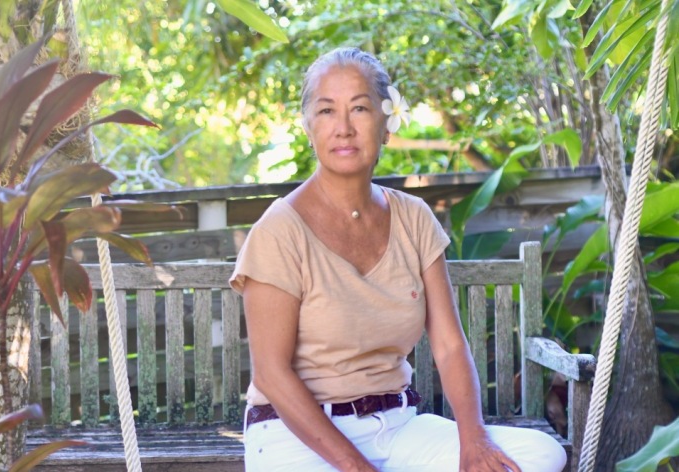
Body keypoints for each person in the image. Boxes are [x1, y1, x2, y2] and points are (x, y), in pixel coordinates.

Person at [230, 47, 567, 472]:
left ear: (386, 125)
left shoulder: (414, 218)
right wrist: (359, 469)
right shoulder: (279, 230)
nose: (344, 128)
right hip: (296, 437)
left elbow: (449, 345)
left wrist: (474, 440)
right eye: (327, 111)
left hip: (396, 427)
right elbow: (271, 374)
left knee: (541, 455)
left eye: (360, 108)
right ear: (309, 127)